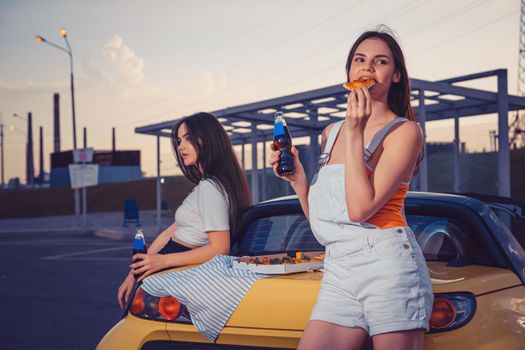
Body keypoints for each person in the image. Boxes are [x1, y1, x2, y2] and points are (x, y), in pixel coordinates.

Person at [270, 28, 433, 350]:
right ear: (349, 71)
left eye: (380, 61)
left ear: (396, 75)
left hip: (387, 266)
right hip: (339, 268)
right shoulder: (330, 132)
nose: (368, 68)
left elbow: (360, 209)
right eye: (360, 59)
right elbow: (328, 221)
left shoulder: (405, 132)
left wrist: (356, 132)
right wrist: (299, 180)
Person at [118, 112, 250, 309]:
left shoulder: (211, 188)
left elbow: (219, 248)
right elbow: (170, 231)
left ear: (208, 139)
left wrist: (162, 261)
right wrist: (133, 275)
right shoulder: (207, 185)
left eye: (188, 138)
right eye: (179, 140)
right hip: (169, 262)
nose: (180, 147)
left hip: (176, 264)